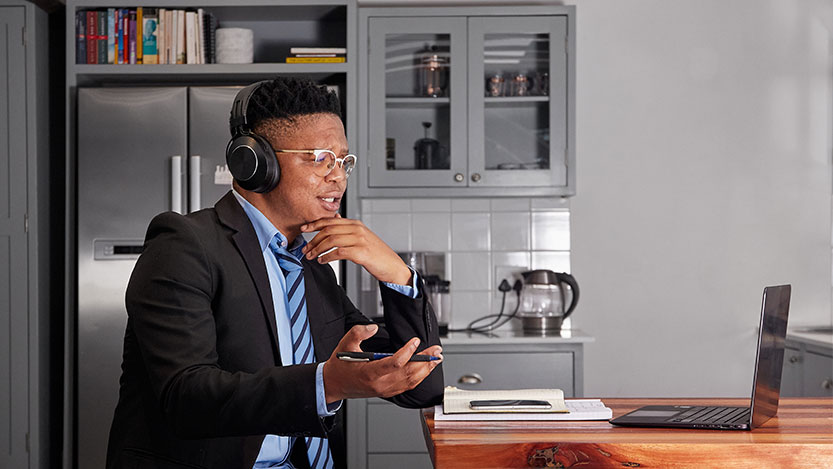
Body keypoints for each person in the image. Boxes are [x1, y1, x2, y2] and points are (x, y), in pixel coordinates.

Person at [106, 77, 444, 469]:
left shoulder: (312, 266)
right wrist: (327, 384)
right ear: (255, 162)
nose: (338, 177)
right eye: (320, 158)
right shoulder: (183, 245)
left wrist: (397, 275)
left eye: (343, 161)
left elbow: (421, 387)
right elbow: (186, 399)